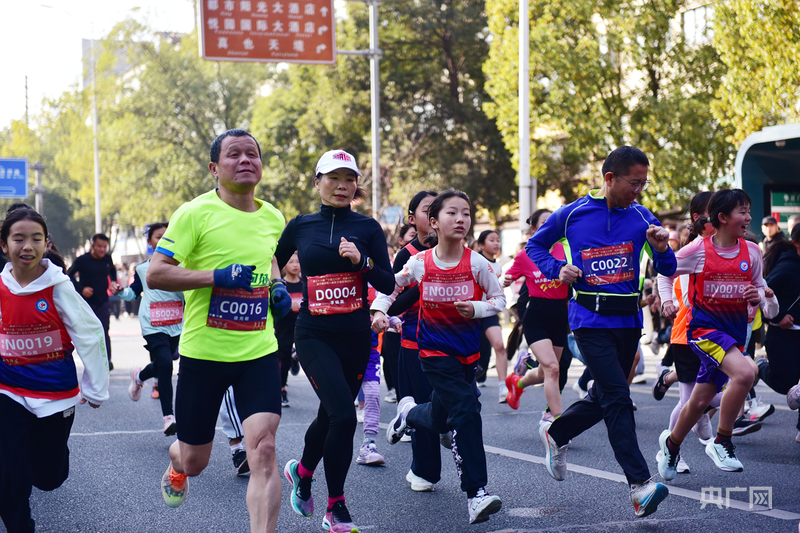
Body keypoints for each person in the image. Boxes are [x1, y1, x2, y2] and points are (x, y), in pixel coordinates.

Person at [146, 129, 290, 533]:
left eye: (252, 154)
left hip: (258, 351)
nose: (245, 160)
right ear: (214, 168)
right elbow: (157, 273)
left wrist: (277, 285)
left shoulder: (273, 216)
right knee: (196, 461)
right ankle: (177, 462)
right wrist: (216, 276)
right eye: (234, 154)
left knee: (264, 450)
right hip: (204, 354)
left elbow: (269, 257)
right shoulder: (194, 213)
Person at [527, 146, 673, 518]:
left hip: (628, 321)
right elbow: (535, 246)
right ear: (610, 178)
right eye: (634, 183)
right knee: (618, 399)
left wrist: (661, 249)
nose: (639, 190)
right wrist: (557, 269)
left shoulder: (642, 216)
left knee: (608, 395)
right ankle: (640, 485)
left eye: (644, 183)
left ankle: (557, 433)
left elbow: (668, 266)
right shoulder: (571, 213)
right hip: (589, 320)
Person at [277, 149, 394, 533]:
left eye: (349, 179)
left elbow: (387, 282)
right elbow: (272, 260)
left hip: (356, 336)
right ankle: (336, 507)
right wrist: (276, 290)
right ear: (318, 182)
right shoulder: (300, 225)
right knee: (344, 415)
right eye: (333, 178)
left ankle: (302, 471)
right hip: (313, 333)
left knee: (331, 414)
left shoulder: (368, 228)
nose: (342, 186)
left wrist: (362, 262)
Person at [374, 189, 506, 525]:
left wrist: (476, 308)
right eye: (452, 213)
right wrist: (379, 311)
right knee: (467, 410)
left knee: (440, 417)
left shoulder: (477, 263)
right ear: (433, 222)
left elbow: (499, 301)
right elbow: (391, 288)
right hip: (433, 352)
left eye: (466, 213)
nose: (461, 219)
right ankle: (476, 493)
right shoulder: (420, 262)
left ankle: (408, 414)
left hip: (467, 354)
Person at [0, 208, 109, 533]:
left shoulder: (59, 287)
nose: (27, 246)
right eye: (18, 239)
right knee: (9, 471)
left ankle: (43, 461)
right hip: (9, 389)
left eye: (36, 238)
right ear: (4, 245)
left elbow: (89, 333)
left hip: (55, 395)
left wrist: (95, 387)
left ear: (46, 244)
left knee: (49, 477)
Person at [657, 189, 777, 481]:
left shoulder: (752, 251)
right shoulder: (697, 250)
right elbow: (665, 272)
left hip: (734, 333)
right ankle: (722, 440)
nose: (748, 217)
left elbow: (763, 292)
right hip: (703, 330)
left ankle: (671, 445)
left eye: (748, 211)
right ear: (722, 217)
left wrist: (761, 297)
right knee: (746, 372)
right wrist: (667, 301)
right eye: (742, 212)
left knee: (699, 402)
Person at [504, 208, 570, 423]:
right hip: (536, 317)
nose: (550, 226)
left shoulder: (566, 249)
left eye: (553, 222)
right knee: (553, 368)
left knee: (545, 372)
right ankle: (557, 421)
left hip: (560, 317)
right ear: (533, 229)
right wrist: (502, 281)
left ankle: (517, 383)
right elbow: (505, 278)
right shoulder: (525, 255)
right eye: (544, 222)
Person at [118, 222, 184, 435]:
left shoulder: (182, 265)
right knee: (165, 364)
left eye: (167, 236)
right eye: (158, 237)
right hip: (152, 324)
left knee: (164, 363)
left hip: (175, 324)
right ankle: (168, 418)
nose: (163, 240)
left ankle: (139, 376)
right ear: (150, 241)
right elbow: (133, 292)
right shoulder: (142, 268)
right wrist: (121, 291)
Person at [758, 223, 800, 442]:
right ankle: (760, 366)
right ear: (796, 243)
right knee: (786, 384)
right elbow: (762, 296)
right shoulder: (788, 267)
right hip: (783, 336)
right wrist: (778, 316)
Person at [67, 233, 119, 369]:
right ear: (92, 246)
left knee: (104, 330)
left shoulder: (107, 259)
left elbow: (113, 271)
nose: (102, 249)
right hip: (86, 303)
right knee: (88, 333)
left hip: (103, 302)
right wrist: (81, 289)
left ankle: (107, 360)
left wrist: (113, 281)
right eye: (99, 246)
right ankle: (91, 361)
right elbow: (68, 276)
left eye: (104, 247)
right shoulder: (82, 260)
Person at [474, 230, 509, 402]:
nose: (496, 243)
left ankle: (503, 387)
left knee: (499, 345)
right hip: (473, 311)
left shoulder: (498, 266)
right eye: (491, 240)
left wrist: (502, 284)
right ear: (481, 245)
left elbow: (495, 290)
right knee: (474, 350)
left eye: (497, 240)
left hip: (490, 311)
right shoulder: (476, 262)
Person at [275, 251, 303, 408]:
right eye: (291, 262)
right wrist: (287, 306)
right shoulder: (280, 285)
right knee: (283, 359)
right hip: (284, 327)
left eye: (297, 261)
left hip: (301, 326)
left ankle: (295, 356)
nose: (295, 265)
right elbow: (273, 306)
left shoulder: (305, 284)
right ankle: (282, 389)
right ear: (284, 265)